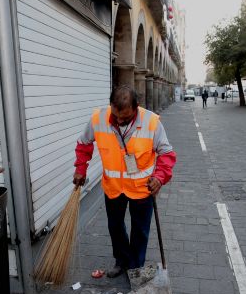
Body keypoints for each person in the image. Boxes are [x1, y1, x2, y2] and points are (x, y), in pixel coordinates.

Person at [73, 86, 177, 278]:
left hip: (142, 187)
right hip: (113, 187)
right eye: (116, 115)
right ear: (111, 105)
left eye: (125, 118)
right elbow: (83, 144)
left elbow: (166, 153)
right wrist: (81, 169)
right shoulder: (98, 118)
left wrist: (159, 177)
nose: (119, 121)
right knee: (115, 226)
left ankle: (135, 267)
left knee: (140, 229)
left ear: (136, 108)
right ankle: (121, 260)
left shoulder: (151, 122)